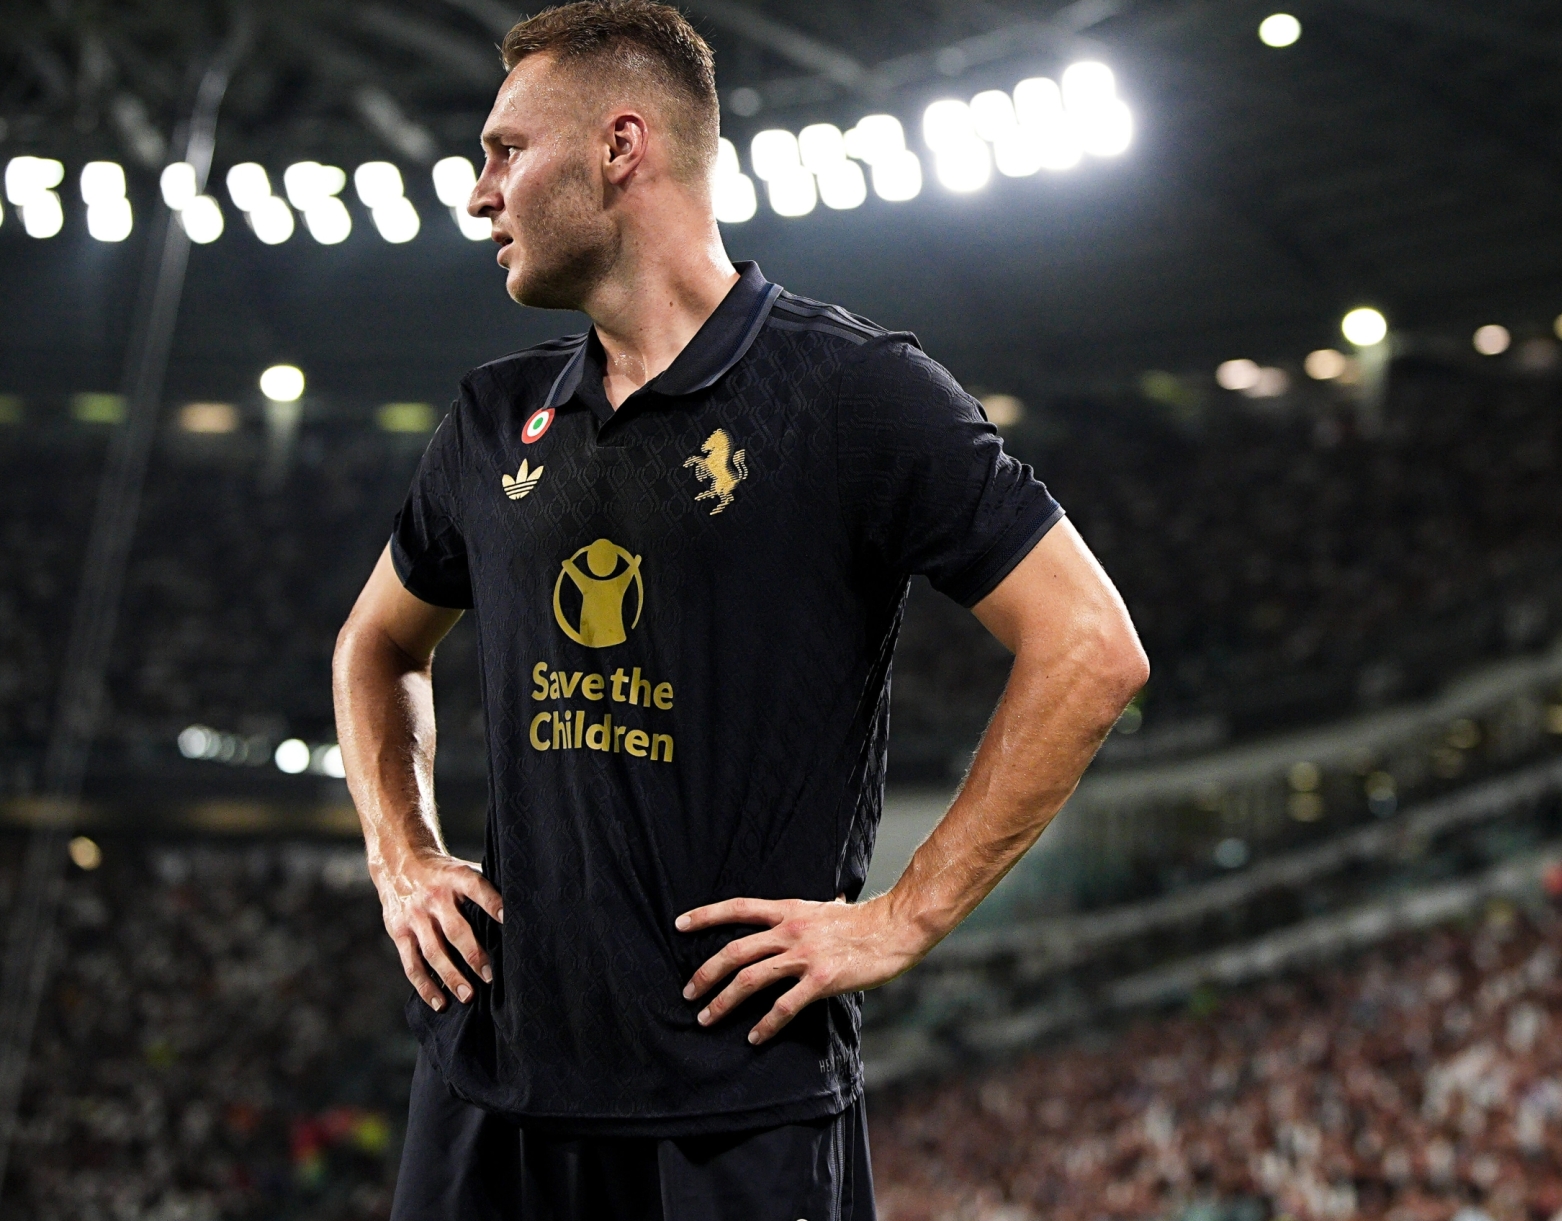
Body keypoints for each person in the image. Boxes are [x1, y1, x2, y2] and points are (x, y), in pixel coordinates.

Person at [328, 2, 1149, 1216]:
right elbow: (377, 644)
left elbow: (1090, 649)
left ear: (621, 147)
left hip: (735, 1114)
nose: (478, 191)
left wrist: (903, 918)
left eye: (507, 150)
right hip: (489, 1093)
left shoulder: (853, 394)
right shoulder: (492, 420)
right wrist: (401, 855)